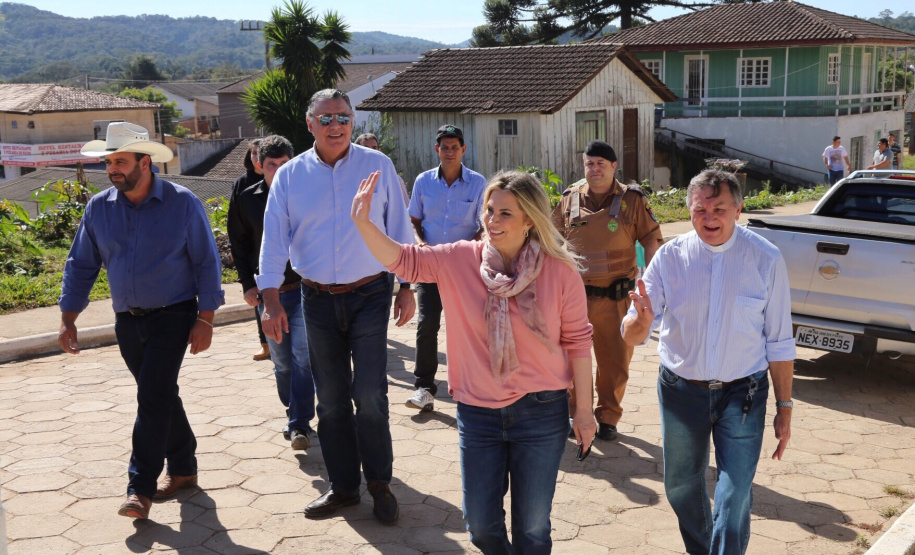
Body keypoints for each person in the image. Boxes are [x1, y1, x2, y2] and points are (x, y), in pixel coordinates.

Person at [352, 169, 596, 554]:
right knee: (481, 527)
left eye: (505, 214)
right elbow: (403, 261)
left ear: (530, 219)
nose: (491, 221)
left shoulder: (560, 270)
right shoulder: (460, 259)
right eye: (489, 210)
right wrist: (364, 224)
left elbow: (580, 344)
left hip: (541, 409)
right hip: (478, 411)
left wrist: (584, 411)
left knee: (532, 529)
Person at [257, 89, 415, 524]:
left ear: (353, 122)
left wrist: (406, 285)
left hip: (370, 294)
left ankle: (379, 483)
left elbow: (400, 229)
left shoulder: (377, 167)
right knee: (329, 399)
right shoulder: (290, 176)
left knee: (369, 393)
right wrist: (270, 299)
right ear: (309, 125)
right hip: (316, 298)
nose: (335, 126)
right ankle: (344, 488)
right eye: (325, 119)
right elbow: (273, 239)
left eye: (343, 118)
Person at [621, 169, 795, 555]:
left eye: (719, 208)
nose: (709, 217)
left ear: (739, 208)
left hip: (744, 395)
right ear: (689, 209)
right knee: (681, 486)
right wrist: (642, 319)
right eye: (700, 209)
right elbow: (631, 334)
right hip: (681, 392)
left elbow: (780, 341)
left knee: (734, 496)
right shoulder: (670, 257)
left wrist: (785, 406)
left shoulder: (765, 259)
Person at [60, 122, 225, 520]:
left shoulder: (183, 203)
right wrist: (69, 318)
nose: (112, 169)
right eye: (109, 162)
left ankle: (140, 488)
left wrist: (206, 319)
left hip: (174, 314)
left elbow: (206, 261)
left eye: (120, 161)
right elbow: (81, 264)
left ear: (144, 163)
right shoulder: (99, 207)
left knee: (151, 397)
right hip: (127, 321)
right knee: (161, 394)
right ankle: (184, 468)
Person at [551, 140, 663, 441]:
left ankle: (609, 416)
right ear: (583, 166)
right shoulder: (569, 200)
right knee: (572, 358)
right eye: (590, 163)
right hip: (576, 299)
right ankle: (576, 413)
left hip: (618, 298)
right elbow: (551, 242)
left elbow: (652, 241)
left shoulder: (633, 200)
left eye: (601, 163)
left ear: (614, 167)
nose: (595, 169)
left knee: (615, 362)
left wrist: (652, 284)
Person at [227, 134, 315, 450]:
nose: (277, 170)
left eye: (284, 164)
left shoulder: (309, 194)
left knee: (303, 357)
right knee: (281, 360)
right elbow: (238, 241)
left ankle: (300, 424)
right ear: (259, 165)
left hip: (307, 290)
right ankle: (294, 412)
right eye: (270, 165)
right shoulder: (247, 198)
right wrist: (248, 285)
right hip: (268, 294)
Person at [405, 124, 487, 412]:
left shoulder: (478, 184)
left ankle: (471, 385)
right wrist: (419, 245)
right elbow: (413, 221)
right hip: (430, 267)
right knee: (427, 325)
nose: (449, 151)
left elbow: (485, 226)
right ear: (436, 150)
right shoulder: (423, 182)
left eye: (454, 147)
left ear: (463, 150)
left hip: (464, 269)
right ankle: (424, 388)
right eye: (444, 147)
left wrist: (468, 251)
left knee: (467, 325)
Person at [232, 139, 270, 361]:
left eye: (261, 153)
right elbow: (236, 227)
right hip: (253, 250)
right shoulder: (243, 183)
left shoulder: (282, 180)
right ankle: (264, 343)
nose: (258, 158)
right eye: (254, 153)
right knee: (259, 301)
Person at [354, 132, 409, 205]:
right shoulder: (349, 177)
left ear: (379, 150)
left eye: (374, 148)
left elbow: (406, 209)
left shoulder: (393, 179)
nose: (371, 151)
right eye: (366, 148)